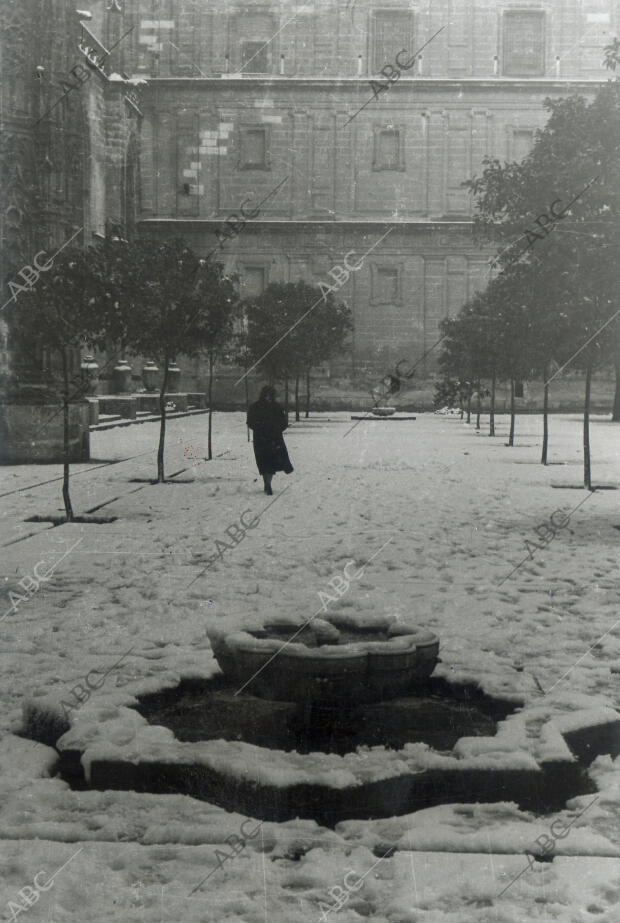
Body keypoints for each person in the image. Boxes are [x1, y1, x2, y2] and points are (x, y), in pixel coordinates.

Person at [246, 385, 293, 494]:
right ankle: (266, 484)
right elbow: (250, 422)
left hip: (274, 439)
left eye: (271, 395)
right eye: (266, 395)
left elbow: (284, 422)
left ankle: (268, 485)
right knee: (263, 462)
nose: (268, 397)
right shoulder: (255, 407)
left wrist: (277, 429)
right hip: (260, 439)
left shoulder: (277, 407)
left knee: (271, 463)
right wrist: (260, 427)